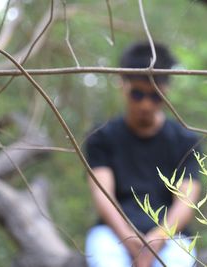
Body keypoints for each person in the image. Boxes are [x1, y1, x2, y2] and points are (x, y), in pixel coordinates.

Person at [84, 41, 201, 267]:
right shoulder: (102, 137)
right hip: (112, 234)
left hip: (172, 237)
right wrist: (129, 238)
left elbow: (186, 200)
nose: (146, 105)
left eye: (155, 96)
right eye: (138, 94)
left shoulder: (186, 141)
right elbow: (103, 196)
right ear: (123, 85)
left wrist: (159, 237)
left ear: (166, 91)